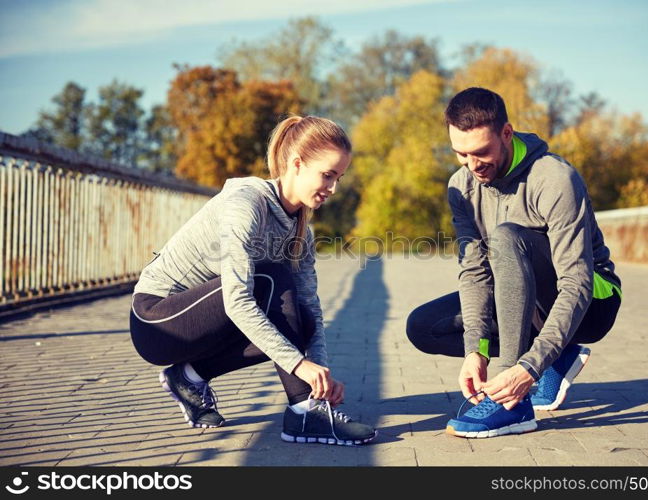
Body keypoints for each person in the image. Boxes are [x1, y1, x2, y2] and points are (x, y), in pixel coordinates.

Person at [129, 115, 376, 445]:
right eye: (328, 175)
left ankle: (188, 377)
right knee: (272, 278)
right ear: (297, 164)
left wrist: (321, 375)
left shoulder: (302, 228)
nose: (333, 188)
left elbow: (310, 309)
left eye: (339, 177)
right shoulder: (245, 204)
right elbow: (237, 301)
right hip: (157, 321)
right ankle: (303, 412)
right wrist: (300, 366)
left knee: (299, 317)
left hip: (208, 324)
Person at [406, 88, 622, 438]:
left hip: (592, 303)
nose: (472, 165)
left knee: (507, 237)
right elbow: (475, 273)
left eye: (481, 152)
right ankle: (553, 355)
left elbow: (577, 282)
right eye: (460, 153)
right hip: (525, 301)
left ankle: (514, 403)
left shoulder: (554, 179)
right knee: (424, 326)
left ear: (506, 133)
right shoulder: (461, 186)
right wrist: (475, 349)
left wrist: (526, 368)